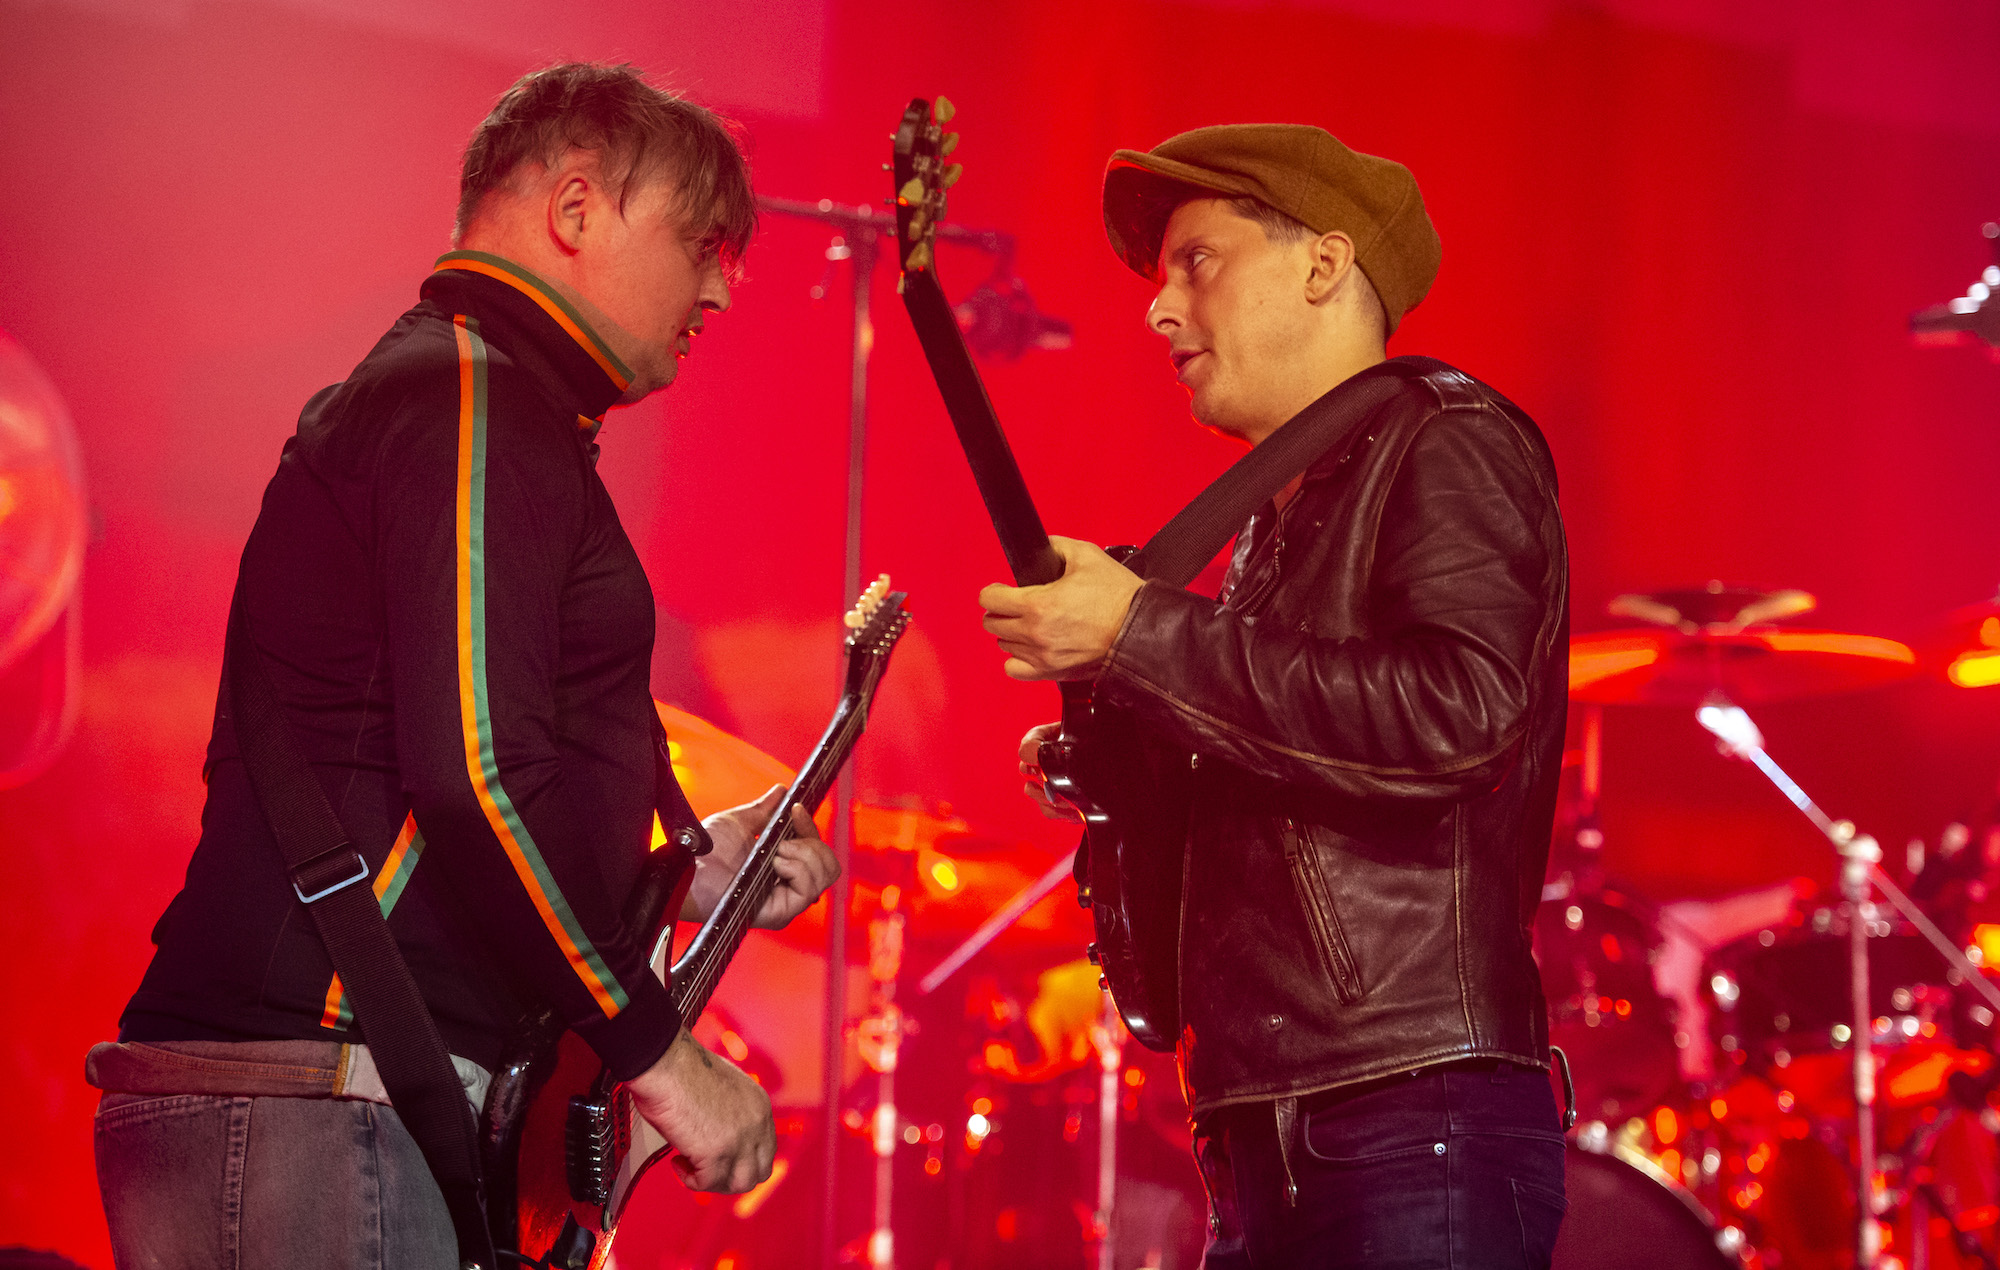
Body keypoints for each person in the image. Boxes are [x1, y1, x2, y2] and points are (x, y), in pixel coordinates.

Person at [87, 63, 839, 1268]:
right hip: (324, 1105)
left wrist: (680, 875)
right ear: (577, 211)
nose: (722, 288)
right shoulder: (471, 396)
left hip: (302, 1107)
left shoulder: (451, 397)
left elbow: (401, 765)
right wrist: (663, 1058)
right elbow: (474, 781)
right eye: (703, 242)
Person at [979, 125, 1571, 1268]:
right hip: (1280, 1126)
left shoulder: (1443, 436)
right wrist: (1115, 745)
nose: (1158, 311)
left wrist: (1139, 630)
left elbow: (1459, 715)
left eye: (1195, 261)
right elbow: (1293, 749)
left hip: (1406, 1117)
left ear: (1321, 266)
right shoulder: (1279, 516)